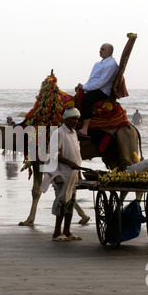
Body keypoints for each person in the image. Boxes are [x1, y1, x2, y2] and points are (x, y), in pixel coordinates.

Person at [41, 107, 83, 241]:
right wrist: (69, 163)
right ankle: (57, 232)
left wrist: (78, 172)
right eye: (72, 119)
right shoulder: (59, 133)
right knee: (61, 201)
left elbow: (77, 153)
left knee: (70, 202)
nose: (75, 121)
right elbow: (54, 154)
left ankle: (67, 231)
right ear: (65, 119)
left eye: (77, 119)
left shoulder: (74, 133)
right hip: (60, 173)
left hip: (72, 174)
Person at [75, 43, 119, 137]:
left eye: (103, 49)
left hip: (103, 90)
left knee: (87, 100)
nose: (100, 51)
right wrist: (83, 86)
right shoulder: (98, 63)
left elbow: (101, 82)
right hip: (94, 88)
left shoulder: (111, 64)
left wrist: (85, 87)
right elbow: (93, 79)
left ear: (110, 52)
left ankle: (84, 129)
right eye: (100, 49)